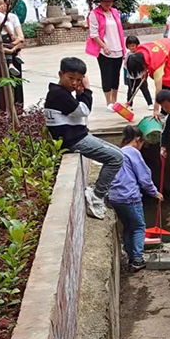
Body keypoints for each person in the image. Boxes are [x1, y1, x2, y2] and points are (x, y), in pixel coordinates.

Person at [44, 57, 124, 220]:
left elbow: (79, 111)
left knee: (118, 153)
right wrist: (86, 91)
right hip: (73, 141)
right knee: (116, 158)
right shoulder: (58, 93)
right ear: (60, 74)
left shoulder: (64, 93)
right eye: (71, 78)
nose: (74, 83)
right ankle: (97, 195)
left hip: (79, 136)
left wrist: (80, 94)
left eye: (79, 80)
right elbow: (84, 111)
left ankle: (98, 190)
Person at [108, 125, 162, 272]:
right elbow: (144, 176)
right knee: (139, 227)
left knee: (128, 226)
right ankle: (138, 259)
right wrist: (154, 192)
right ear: (138, 140)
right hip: (129, 196)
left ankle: (130, 256)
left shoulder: (118, 152)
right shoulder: (133, 152)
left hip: (115, 197)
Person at [85, 0, 127, 109]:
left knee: (116, 76)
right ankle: (108, 102)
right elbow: (93, 34)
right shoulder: (94, 14)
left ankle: (114, 100)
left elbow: (119, 31)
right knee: (106, 75)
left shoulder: (114, 12)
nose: (108, 3)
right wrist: (104, 46)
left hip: (118, 48)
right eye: (105, 0)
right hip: (104, 50)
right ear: (100, 2)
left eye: (110, 0)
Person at [124, 37, 170, 118]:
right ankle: (166, 111)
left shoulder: (156, 63)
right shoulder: (141, 51)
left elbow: (158, 89)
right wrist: (145, 72)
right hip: (169, 46)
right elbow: (146, 62)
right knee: (166, 84)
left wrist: (155, 109)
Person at [124, 36, 153, 110]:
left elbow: (145, 64)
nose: (132, 48)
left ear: (137, 45)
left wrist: (145, 73)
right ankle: (129, 104)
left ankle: (150, 103)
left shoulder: (140, 54)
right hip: (131, 77)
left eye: (133, 45)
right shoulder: (127, 55)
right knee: (130, 91)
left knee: (145, 90)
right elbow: (125, 66)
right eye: (129, 46)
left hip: (141, 77)